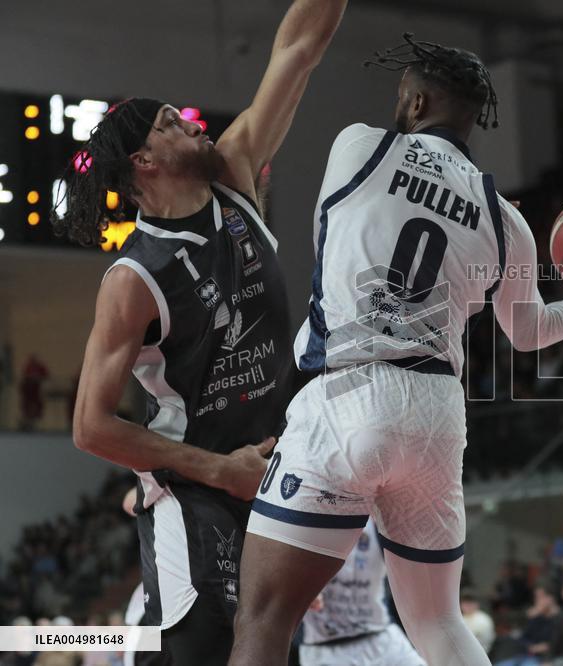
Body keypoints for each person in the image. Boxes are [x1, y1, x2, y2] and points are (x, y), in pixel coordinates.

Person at [228, 32, 563, 666]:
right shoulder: (507, 219)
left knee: (265, 614)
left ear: (416, 98)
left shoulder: (358, 147)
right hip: (435, 410)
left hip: (347, 388)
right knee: (438, 622)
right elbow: (531, 331)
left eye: (403, 92)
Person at [55, 1, 350, 663]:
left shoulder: (236, 175)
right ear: (146, 163)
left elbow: (299, 48)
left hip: (271, 478)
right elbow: (90, 427)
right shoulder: (134, 277)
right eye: (169, 126)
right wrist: (219, 469)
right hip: (196, 496)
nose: (188, 124)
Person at [300, 520, 425, 666]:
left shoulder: (382, 521)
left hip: (382, 639)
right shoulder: (300, 521)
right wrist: (298, 589)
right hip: (325, 650)